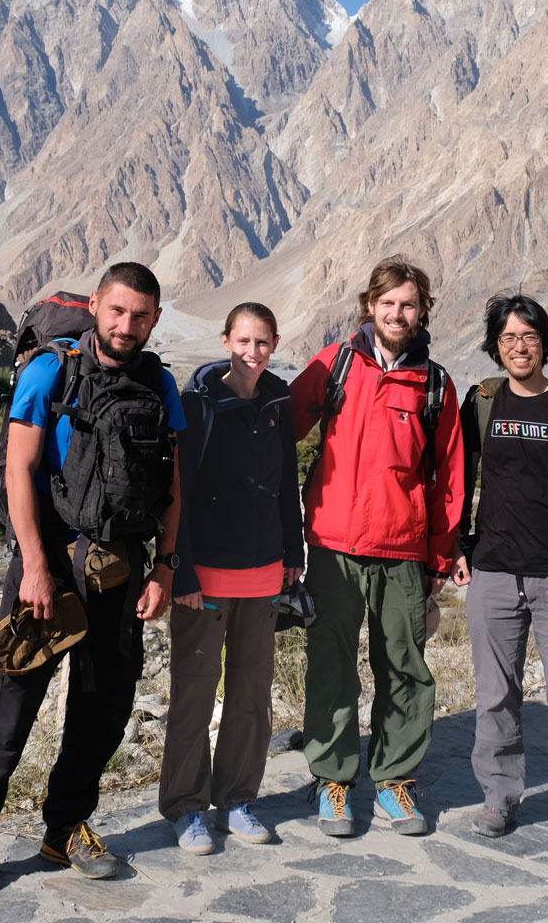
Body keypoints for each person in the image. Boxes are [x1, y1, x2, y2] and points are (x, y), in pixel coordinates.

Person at [0, 263, 185, 909]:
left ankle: (65, 828)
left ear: (155, 319)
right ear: (96, 305)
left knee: (102, 710)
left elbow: (174, 487)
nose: (127, 325)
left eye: (140, 316)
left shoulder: (160, 384)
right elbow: (19, 470)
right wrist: (36, 566)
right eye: (117, 311)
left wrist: (165, 566)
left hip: (123, 568)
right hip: (50, 561)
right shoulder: (50, 370)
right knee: (12, 700)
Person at [289, 255, 463, 837]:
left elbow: (450, 477)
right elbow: (278, 426)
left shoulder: (435, 384)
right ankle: (333, 780)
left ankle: (394, 783)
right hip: (334, 545)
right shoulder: (335, 365)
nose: (396, 313)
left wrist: (440, 557)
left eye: (408, 304)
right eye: (387, 302)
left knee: (405, 668)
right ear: (369, 306)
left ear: (422, 312)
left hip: (404, 550)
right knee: (331, 664)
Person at [453, 293, 548, 851]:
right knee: (495, 691)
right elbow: (461, 477)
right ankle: (499, 796)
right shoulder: (482, 401)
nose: (519, 348)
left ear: (544, 341)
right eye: (508, 338)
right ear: (495, 346)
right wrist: (457, 546)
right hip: (494, 568)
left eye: (529, 336)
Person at [160, 302, 305, 853]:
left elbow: (286, 477)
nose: (253, 352)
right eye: (244, 341)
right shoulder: (199, 405)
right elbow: (182, 493)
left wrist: (294, 552)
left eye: (263, 343)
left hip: (265, 573)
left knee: (251, 694)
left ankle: (238, 799)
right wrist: (184, 568)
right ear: (226, 341)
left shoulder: (278, 400)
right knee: (194, 696)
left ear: (274, 344)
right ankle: (186, 806)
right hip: (205, 580)